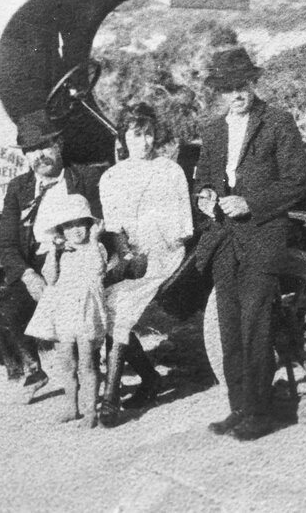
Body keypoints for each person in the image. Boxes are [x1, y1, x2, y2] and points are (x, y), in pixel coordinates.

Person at [194, 46, 306, 440]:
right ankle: (239, 407)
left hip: (262, 235)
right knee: (229, 326)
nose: (237, 93)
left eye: (242, 84)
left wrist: (251, 203)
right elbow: (203, 178)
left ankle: (260, 413)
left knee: (256, 324)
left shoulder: (277, 122)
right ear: (220, 92)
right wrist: (205, 195)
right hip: (224, 239)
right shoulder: (213, 130)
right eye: (229, 87)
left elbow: (296, 181)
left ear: (252, 83)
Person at [0, 109, 103, 402]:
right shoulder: (19, 188)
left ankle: (96, 376)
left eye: (44, 146)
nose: (39, 155)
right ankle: (31, 371)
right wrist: (28, 275)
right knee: (7, 309)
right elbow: (5, 242)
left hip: (77, 262)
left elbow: (101, 226)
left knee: (88, 313)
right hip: (37, 266)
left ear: (59, 145)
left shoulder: (85, 179)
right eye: (31, 150)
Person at [97, 103, 193, 427]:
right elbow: (115, 230)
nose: (145, 141)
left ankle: (110, 397)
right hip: (131, 256)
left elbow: (182, 229)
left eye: (149, 133)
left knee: (119, 304)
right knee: (103, 300)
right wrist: (126, 256)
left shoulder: (170, 171)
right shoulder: (111, 177)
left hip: (165, 253)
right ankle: (149, 378)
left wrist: (150, 248)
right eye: (137, 134)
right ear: (123, 138)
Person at [25, 194, 107, 428]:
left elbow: (98, 271)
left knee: (87, 364)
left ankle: (90, 411)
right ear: (61, 229)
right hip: (64, 311)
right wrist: (54, 251)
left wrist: (94, 240)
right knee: (67, 362)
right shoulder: (61, 251)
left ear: (90, 225)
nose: (76, 230)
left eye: (81, 223)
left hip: (85, 311)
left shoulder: (96, 247)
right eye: (69, 225)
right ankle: (72, 406)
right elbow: (50, 279)